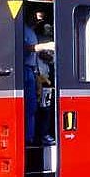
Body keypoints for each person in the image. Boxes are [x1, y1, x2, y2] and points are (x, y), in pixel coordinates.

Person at [24, 9, 54, 146]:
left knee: (39, 107)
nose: (38, 22)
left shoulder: (33, 32)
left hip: (39, 74)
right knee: (34, 107)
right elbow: (27, 48)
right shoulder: (24, 30)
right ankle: (33, 137)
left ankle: (36, 135)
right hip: (29, 71)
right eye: (37, 18)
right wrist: (45, 47)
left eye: (41, 20)